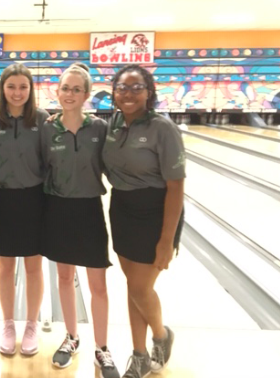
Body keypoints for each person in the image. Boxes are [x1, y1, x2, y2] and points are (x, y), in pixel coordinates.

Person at [102, 65, 185, 378]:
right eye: (122, 87)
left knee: (140, 286)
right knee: (133, 286)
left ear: (149, 92)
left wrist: (167, 240)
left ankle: (161, 336)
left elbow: (176, 186)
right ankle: (139, 354)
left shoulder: (162, 129)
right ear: (114, 91)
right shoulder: (111, 125)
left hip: (156, 211)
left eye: (137, 87)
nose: (128, 93)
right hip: (122, 209)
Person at [41, 65, 119, 378]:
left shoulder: (99, 128)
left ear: (86, 95)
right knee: (64, 278)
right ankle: (71, 337)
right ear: (56, 92)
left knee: (97, 284)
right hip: (58, 208)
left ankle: (102, 348)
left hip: (89, 209)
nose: (70, 94)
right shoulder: (47, 128)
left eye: (76, 89)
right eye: (65, 88)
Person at [0, 64, 49, 356]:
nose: (18, 92)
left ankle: (31, 325)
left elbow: (50, 161)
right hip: (1, 199)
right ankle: (8, 324)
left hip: (35, 198)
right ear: (2, 89)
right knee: (5, 267)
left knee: (34, 266)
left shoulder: (43, 119)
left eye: (23, 87)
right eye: (12, 87)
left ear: (31, 90)